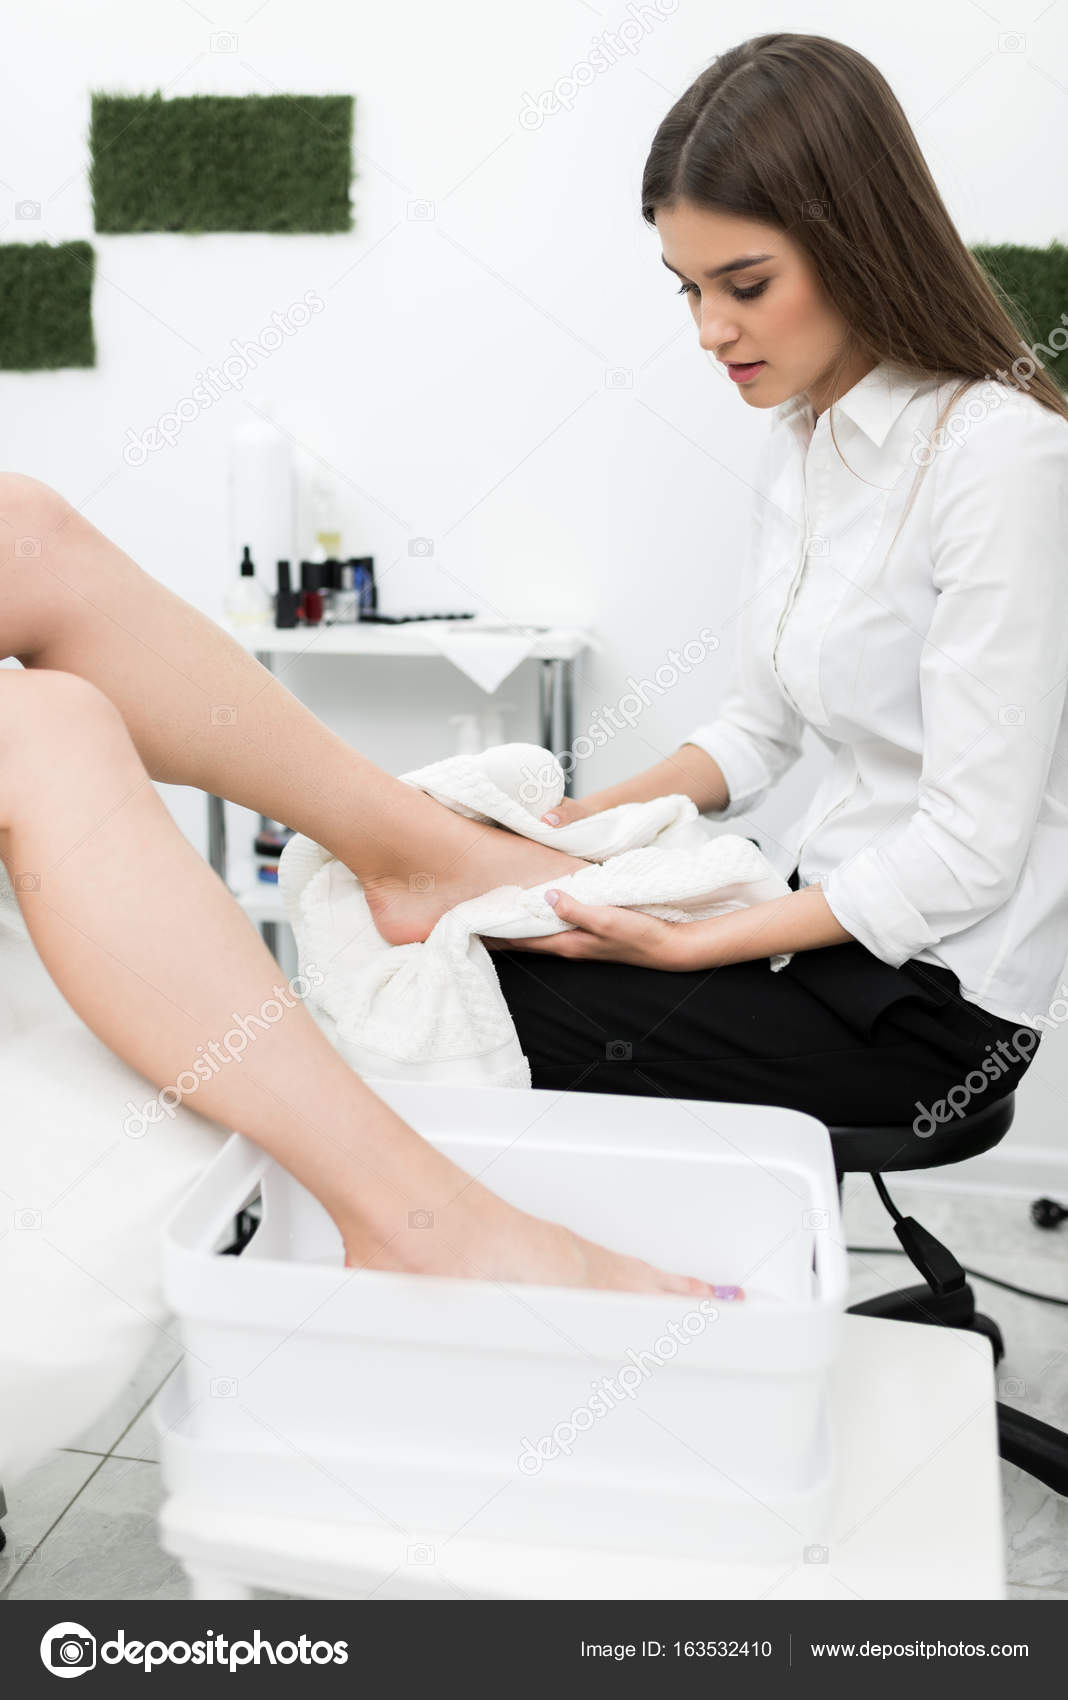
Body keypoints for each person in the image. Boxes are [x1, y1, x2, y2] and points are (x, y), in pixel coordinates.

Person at [491, 33, 1068, 1138]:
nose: (711, 330)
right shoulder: (805, 439)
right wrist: (569, 826)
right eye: (690, 289)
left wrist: (693, 936)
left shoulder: (1001, 459)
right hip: (813, 924)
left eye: (744, 285)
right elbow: (757, 732)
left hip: (935, 1006)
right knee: (485, 940)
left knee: (512, 1004)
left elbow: (967, 848)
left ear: (858, 242)